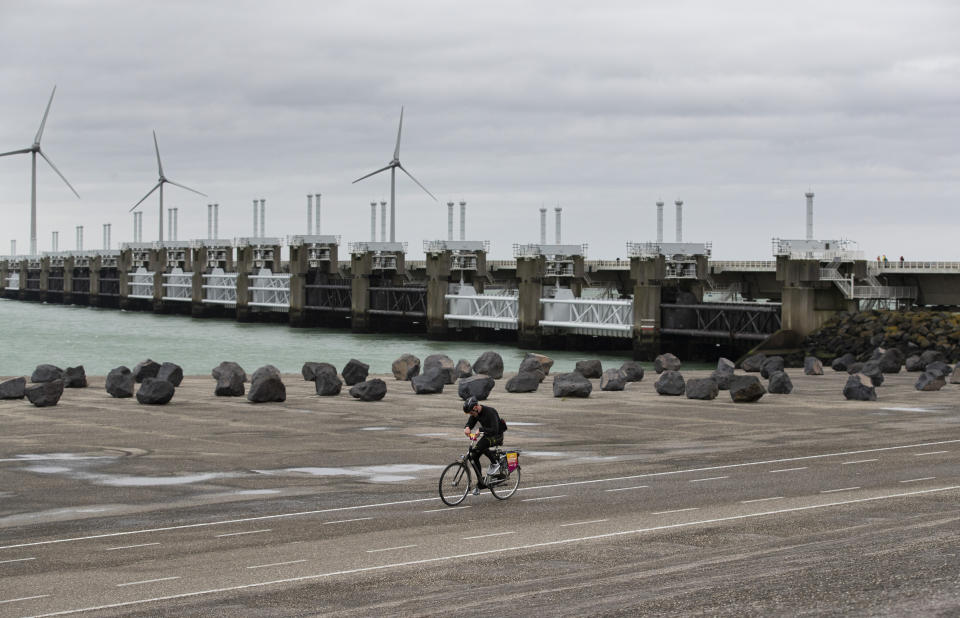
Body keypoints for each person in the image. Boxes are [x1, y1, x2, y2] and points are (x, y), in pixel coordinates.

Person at [462, 396, 506, 493]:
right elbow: (470, 422)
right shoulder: (475, 413)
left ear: (476, 407)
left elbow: (495, 430)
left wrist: (480, 430)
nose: (471, 415)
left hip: (497, 436)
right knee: (473, 455)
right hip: (488, 435)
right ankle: (481, 482)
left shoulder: (490, 412)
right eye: (469, 413)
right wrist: (467, 427)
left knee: (480, 446)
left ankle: (495, 463)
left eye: (471, 412)